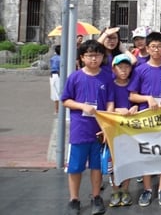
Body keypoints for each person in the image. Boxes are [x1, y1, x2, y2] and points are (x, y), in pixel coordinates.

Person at [61, 39, 115, 215]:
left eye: (97, 55)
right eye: (90, 55)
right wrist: (82, 106)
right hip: (80, 129)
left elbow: (110, 102)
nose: (94, 59)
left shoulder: (107, 77)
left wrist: (107, 125)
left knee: (97, 166)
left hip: (99, 130)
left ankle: (96, 196)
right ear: (82, 58)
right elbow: (65, 100)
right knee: (75, 166)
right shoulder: (75, 77)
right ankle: (74, 199)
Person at [127, 32, 161, 207]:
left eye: (159, 47)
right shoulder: (140, 70)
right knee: (146, 154)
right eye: (153, 47)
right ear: (147, 49)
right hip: (146, 118)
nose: (156, 50)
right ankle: (147, 189)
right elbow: (132, 95)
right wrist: (147, 98)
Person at [108, 53, 138, 207]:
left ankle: (125, 190)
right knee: (113, 162)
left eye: (127, 67)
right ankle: (115, 190)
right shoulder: (110, 85)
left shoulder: (133, 84)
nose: (124, 70)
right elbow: (107, 107)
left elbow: (138, 100)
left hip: (130, 129)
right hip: (114, 129)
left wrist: (135, 106)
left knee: (128, 160)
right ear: (114, 69)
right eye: (120, 67)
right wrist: (117, 110)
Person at [50, 44, 61, 114]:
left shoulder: (53, 58)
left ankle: (56, 109)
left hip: (52, 75)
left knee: (55, 93)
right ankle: (61, 109)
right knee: (60, 92)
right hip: (59, 75)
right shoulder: (62, 58)